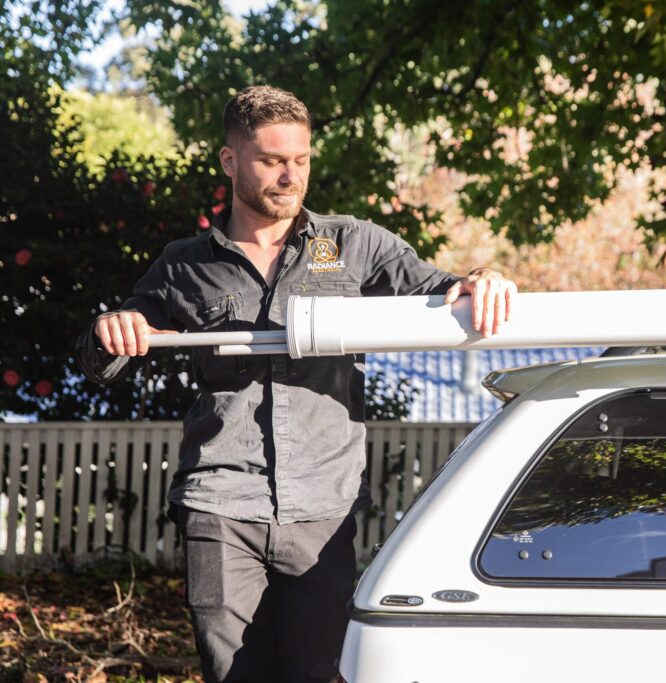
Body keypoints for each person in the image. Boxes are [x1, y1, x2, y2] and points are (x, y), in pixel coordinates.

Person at [76, 85, 517, 683]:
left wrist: (482, 278)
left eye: (301, 160)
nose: (290, 176)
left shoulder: (355, 245)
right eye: (272, 160)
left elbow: (443, 287)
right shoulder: (185, 263)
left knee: (320, 674)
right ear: (231, 161)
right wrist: (113, 326)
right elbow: (104, 358)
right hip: (220, 507)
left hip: (323, 511)